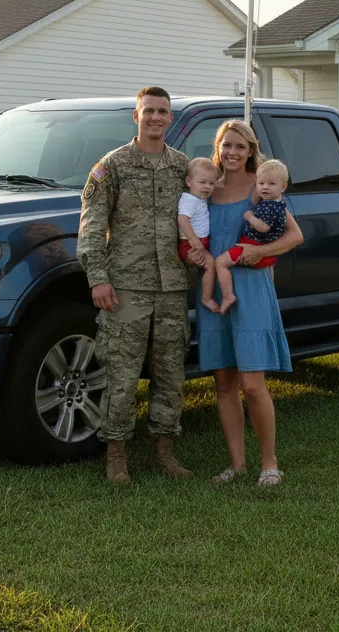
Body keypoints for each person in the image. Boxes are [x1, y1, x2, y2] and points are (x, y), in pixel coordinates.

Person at [77, 86, 195, 484]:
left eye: (163, 111)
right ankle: (116, 456)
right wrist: (98, 279)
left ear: (170, 118)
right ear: (136, 116)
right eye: (149, 111)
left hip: (172, 288)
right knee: (121, 376)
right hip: (125, 288)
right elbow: (92, 227)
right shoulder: (113, 166)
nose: (156, 118)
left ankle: (164, 450)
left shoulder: (182, 168)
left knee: (170, 375)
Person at [195, 120, 305, 487]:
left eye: (240, 147)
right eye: (227, 145)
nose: (232, 153)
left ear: (251, 150)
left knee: (253, 383)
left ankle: (270, 463)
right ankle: (237, 463)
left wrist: (259, 251)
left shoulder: (262, 186)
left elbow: (295, 235)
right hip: (216, 290)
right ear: (218, 147)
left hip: (252, 290)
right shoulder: (208, 188)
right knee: (224, 382)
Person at [213, 158, 290, 314]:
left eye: (271, 184)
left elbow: (263, 227)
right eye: (261, 184)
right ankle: (269, 294)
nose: (265, 188)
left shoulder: (270, 206)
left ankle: (228, 296)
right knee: (269, 269)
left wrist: (249, 216)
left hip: (251, 246)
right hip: (269, 256)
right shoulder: (279, 203)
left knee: (220, 263)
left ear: (283, 187)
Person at [176, 157, 219, 314]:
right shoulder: (189, 200)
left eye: (211, 183)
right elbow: (182, 218)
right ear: (189, 181)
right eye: (202, 182)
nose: (207, 187)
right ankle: (206, 298)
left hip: (199, 241)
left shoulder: (199, 199)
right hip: (190, 243)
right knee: (211, 264)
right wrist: (193, 240)